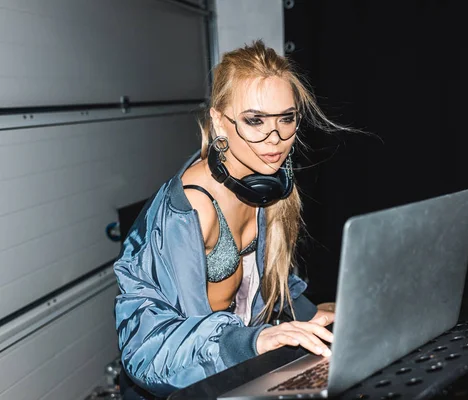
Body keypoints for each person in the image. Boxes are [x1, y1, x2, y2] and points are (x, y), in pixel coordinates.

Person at [113, 39, 353, 399]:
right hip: (189, 382)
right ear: (219, 122)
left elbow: (274, 285)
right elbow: (146, 350)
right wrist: (252, 340)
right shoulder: (192, 208)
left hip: (241, 372)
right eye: (254, 120)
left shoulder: (268, 184)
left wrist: (315, 318)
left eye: (286, 118)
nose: (275, 138)